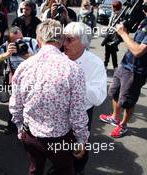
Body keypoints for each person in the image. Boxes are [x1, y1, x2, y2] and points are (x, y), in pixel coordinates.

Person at [9, 19, 89, 175]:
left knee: (34, 169)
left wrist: (19, 128)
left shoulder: (24, 67)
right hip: (59, 139)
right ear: (61, 41)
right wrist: (81, 140)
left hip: (30, 134)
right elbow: (78, 111)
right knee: (64, 171)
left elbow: (15, 104)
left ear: (38, 40)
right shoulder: (73, 69)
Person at [63, 22, 107, 175]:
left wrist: (77, 82)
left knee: (79, 149)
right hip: (58, 112)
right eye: (64, 38)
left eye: (70, 39)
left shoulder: (95, 63)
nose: (64, 43)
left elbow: (98, 98)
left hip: (82, 114)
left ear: (83, 42)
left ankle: (78, 169)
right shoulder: (59, 58)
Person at [99, 0, 147, 138]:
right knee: (113, 92)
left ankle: (123, 125)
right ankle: (115, 117)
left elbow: (138, 51)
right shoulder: (144, 19)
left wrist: (123, 34)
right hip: (125, 64)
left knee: (127, 101)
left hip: (136, 70)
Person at [0, 26, 39, 134]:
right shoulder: (5, 47)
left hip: (34, 82)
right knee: (15, 104)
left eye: (21, 38)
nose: (20, 42)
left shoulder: (31, 42)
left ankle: (32, 128)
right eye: (16, 41)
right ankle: (12, 125)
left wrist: (28, 56)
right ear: (8, 42)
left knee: (33, 105)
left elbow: (45, 61)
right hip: (16, 83)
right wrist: (5, 55)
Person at [104, 0, 122, 70]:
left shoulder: (120, 15)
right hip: (109, 34)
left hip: (115, 36)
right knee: (107, 51)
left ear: (115, 7)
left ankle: (115, 67)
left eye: (112, 6)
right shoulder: (113, 13)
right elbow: (110, 23)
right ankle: (105, 65)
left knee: (113, 52)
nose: (111, 7)